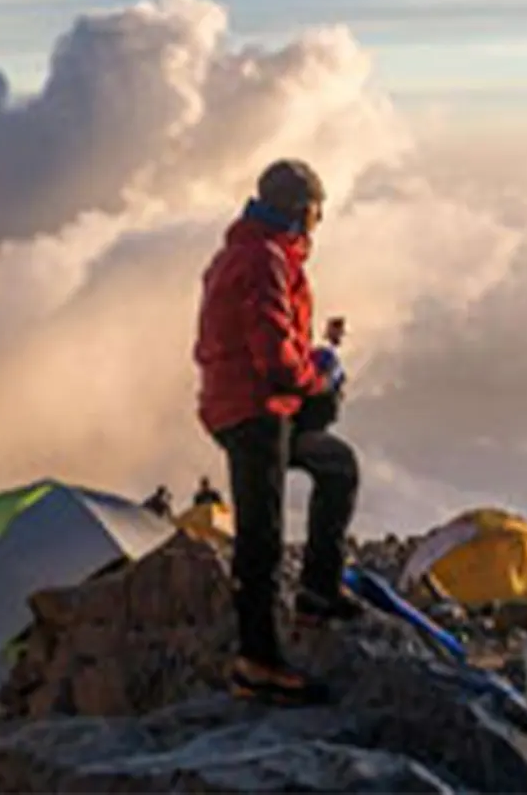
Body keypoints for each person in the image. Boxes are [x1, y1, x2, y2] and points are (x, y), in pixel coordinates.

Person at [194, 158, 362, 707]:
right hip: (253, 412)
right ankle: (258, 663)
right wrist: (319, 374)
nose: (318, 222)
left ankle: (317, 592)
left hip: (250, 405)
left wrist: (313, 354)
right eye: (317, 210)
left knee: (337, 467)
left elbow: (269, 339)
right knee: (260, 537)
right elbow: (275, 359)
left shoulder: (253, 252)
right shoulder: (263, 259)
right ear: (299, 208)